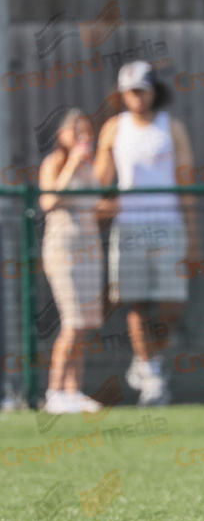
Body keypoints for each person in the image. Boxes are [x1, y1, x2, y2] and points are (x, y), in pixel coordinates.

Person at [94, 61, 198, 406]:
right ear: (122, 94)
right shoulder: (113, 129)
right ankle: (151, 372)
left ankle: (147, 358)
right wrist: (102, 205)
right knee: (135, 301)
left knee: (172, 303)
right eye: (129, 91)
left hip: (169, 225)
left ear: (154, 90)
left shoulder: (173, 128)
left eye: (141, 89)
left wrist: (193, 233)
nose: (136, 97)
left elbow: (186, 184)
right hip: (129, 228)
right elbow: (99, 183)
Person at [38, 109, 105, 414]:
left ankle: (73, 391)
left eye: (86, 131)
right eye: (75, 131)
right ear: (62, 135)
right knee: (72, 321)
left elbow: (95, 204)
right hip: (63, 250)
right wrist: (73, 165)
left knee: (85, 325)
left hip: (90, 247)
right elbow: (48, 201)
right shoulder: (54, 163)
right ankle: (54, 392)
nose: (82, 137)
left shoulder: (90, 168)